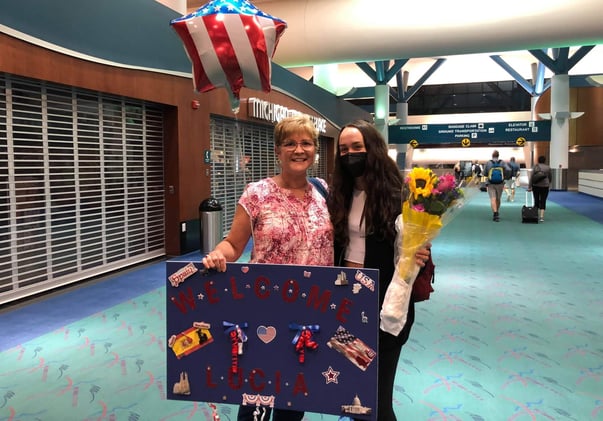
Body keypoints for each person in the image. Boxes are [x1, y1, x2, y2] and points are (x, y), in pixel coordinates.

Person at [201, 115, 333, 421]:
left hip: (312, 308)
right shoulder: (257, 193)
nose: (298, 150)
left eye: (306, 143)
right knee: (256, 395)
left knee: (294, 397)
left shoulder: (325, 192)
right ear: (278, 151)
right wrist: (217, 255)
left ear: (315, 149)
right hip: (264, 307)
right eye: (290, 143)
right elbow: (233, 244)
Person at [327, 119, 431, 421]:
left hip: (385, 306)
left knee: (377, 394)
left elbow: (412, 250)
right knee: (355, 387)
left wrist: (420, 251)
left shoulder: (400, 195)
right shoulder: (340, 195)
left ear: (373, 148)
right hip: (346, 304)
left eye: (357, 147)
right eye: (344, 150)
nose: (350, 155)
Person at [483, 150, 510, 222]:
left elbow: (484, 173)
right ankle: (497, 211)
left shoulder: (488, 163)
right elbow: (508, 169)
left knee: (493, 199)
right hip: (500, 183)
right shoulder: (502, 162)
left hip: (490, 183)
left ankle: (495, 213)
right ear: (498, 155)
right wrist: (504, 176)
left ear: (492, 156)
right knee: (498, 198)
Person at [528, 155, 552, 222]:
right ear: (545, 160)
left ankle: (536, 215)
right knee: (543, 200)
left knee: (536, 200)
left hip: (536, 186)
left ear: (538, 160)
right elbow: (550, 177)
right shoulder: (548, 167)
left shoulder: (535, 167)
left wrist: (529, 186)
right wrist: (549, 184)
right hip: (545, 186)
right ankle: (542, 216)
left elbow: (532, 177)